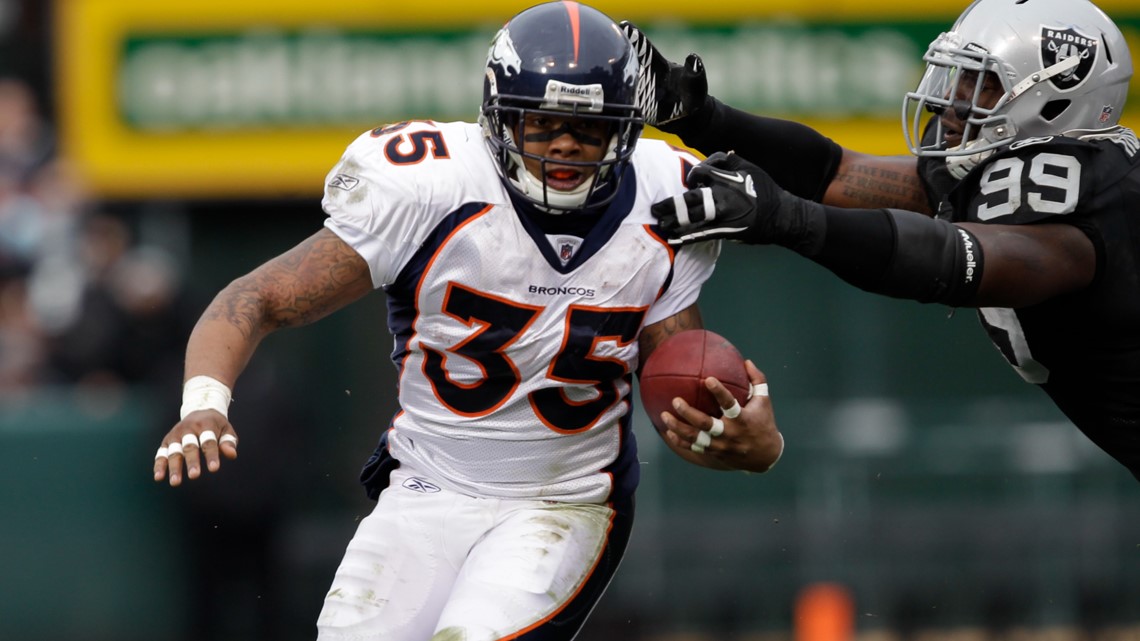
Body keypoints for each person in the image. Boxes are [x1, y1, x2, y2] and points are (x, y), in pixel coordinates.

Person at [152, 3, 784, 640]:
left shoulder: (667, 198)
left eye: (588, 129)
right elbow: (253, 298)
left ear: (623, 130)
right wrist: (204, 402)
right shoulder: (430, 186)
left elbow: (683, 396)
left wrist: (754, 444)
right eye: (543, 123)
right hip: (425, 490)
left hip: (563, 504)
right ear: (501, 119)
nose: (565, 144)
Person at [620, 0, 1140, 481]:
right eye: (958, 75)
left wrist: (789, 220)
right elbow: (835, 171)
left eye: (980, 84)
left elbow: (960, 260)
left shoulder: (1078, 193)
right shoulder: (1009, 173)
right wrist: (701, 118)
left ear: (1055, 101)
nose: (952, 101)